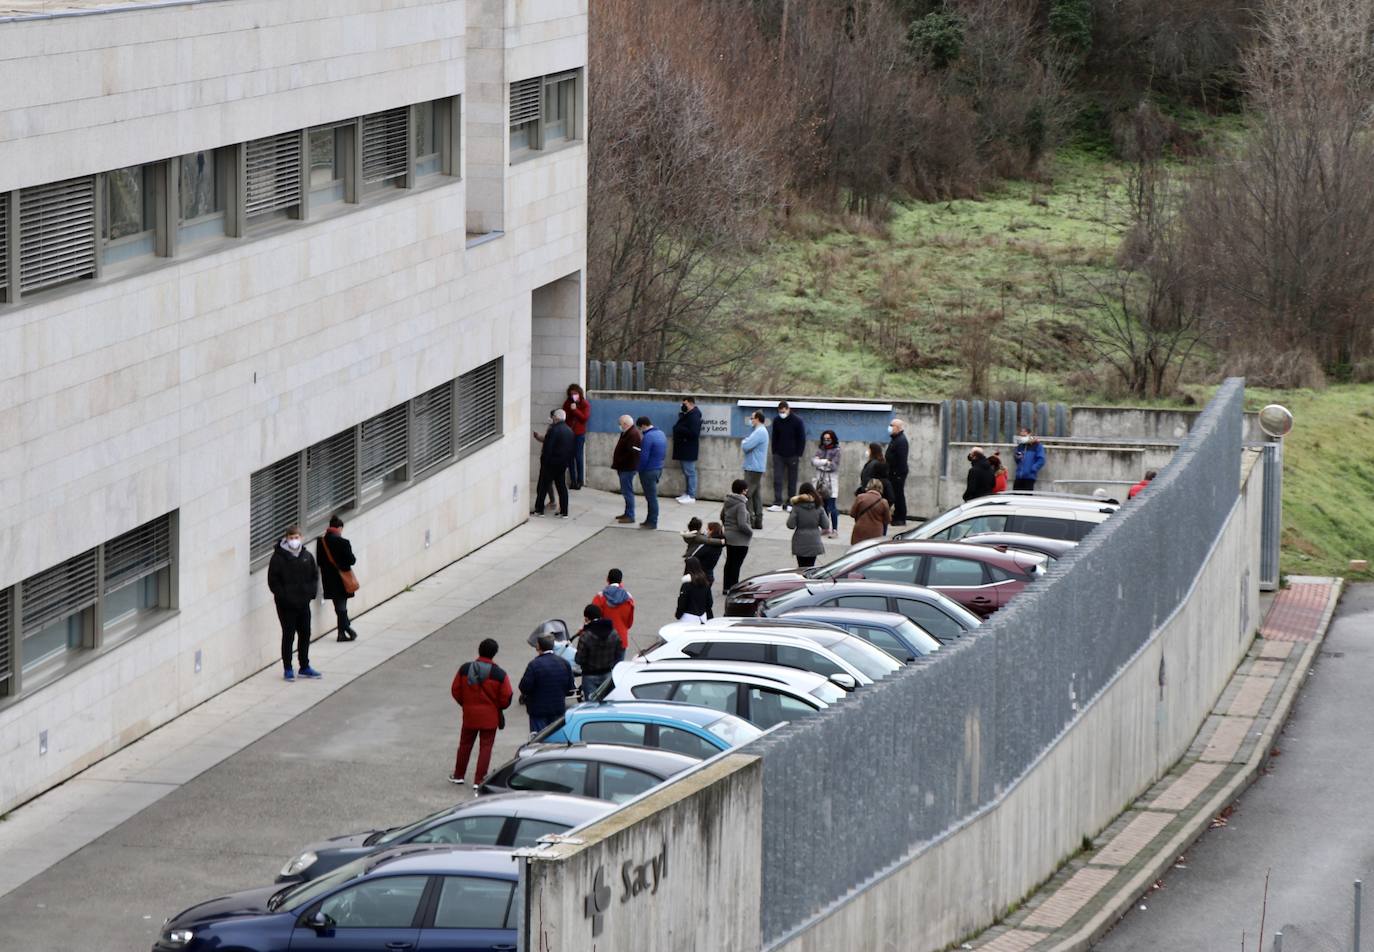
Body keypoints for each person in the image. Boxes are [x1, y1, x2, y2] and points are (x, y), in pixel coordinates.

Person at [449, 637, 513, 785]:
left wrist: (465, 704)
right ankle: (479, 779)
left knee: (465, 744)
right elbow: (506, 697)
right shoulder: (499, 674)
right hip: (490, 717)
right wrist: (498, 707)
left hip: (470, 715)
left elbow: (455, 690)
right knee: (486, 747)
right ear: (494, 653)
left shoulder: (465, 669)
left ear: (479, 649)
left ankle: (459, 775)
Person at [267, 525, 322, 681]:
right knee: (288, 636)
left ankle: (304, 666)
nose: (294, 541)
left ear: (301, 537)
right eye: (291, 538)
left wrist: (309, 594)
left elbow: (314, 576)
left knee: (305, 634)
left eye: (296, 537)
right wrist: (285, 597)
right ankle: (288, 668)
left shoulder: (306, 556)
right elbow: (273, 582)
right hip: (287, 606)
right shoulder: (278, 558)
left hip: (303, 604)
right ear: (286, 539)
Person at [519, 634, 576, 734]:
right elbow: (570, 689)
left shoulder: (534, 665)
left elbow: (524, 687)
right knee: (555, 739)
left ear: (538, 647)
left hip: (538, 710)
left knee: (539, 740)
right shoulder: (564, 663)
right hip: (557, 709)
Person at [316, 515, 358, 642]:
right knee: (342, 607)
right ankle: (345, 630)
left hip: (328, 579)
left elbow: (319, 561)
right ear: (339, 528)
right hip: (342, 579)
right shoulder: (343, 542)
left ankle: (344, 631)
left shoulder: (321, 542)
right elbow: (352, 560)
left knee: (338, 606)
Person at [534, 408, 574, 517]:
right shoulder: (569, 430)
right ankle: (564, 511)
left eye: (553, 417)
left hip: (550, 464)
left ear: (556, 417)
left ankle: (539, 510)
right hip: (562, 464)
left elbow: (548, 448)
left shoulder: (553, 430)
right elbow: (571, 449)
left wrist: (544, 461)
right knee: (561, 488)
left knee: (543, 487)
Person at [574, 604, 620, 699]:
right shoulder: (613, 633)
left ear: (587, 619)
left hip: (589, 675)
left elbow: (579, 659)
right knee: (607, 704)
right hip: (607, 674)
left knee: (591, 707)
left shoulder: (586, 636)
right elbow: (618, 654)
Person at [769, 401, 806, 511]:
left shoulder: (797, 421)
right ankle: (777, 502)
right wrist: (774, 451)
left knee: (792, 480)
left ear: (788, 409)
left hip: (793, 455)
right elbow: (774, 437)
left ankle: (791, 503)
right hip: (779, 455)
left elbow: (802, 438)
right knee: (777, 479)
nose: (782, 413)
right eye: (780, 411)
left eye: (783, 411)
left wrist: (798, 453)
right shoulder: (776, 420)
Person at [592, 568, 635, 660]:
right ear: (621, 581)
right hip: (621, 638)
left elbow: (593, 620)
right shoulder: (628, 598)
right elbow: (629, 622)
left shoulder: (599, 597)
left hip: (603, 639)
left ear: (607, 579)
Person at [786, 482, 831, 568]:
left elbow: (790, 525)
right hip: (814, 542)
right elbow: (826, 525)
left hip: (799, 542)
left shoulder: (797, 507)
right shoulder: (818, 506)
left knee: (801, 568)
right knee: (810, 568)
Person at [721, 478, 753, 590]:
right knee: (736, 565)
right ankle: (733, 587)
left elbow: (722, 516)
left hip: (729, 536)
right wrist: (750, 532)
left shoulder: (728, 501)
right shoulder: (741, 505)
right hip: (740, 539)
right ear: (743, 491)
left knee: (729, 562)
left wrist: (728, 527)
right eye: (746, 490)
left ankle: (726, 587)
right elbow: (742, 524)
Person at [636, 415, 667, 529]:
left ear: (643, 425)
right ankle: (649, 520)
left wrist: (639, 469)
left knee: (651, 498)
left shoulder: (648, 437)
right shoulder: (661, 434)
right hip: (658, 468)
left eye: (640, 428)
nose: (640, 431)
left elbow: (644, 457)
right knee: (651, 497)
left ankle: (652, 521)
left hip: (648, 470)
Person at [741, 411, 769, 530]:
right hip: (755, 466)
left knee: (746, 494)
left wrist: (744, 442)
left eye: (752, 418)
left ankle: (751, 520)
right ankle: (758, 520)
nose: (750, 420)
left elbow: (746, 446)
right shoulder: (760, 431)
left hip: (753, 467)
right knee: (756, 494)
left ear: (757, 419)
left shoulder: (760, 432)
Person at [612, 414, 642, 525]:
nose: (619, 426)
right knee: (625, 492)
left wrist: (620, 461)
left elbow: (633, 452)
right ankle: (627, 513)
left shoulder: (633, 434)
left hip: (627, 468)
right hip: (624, 467)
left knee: (627, 492)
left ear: (625, 424)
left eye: (620, 424)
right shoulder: (627, 433)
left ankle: (630, 515)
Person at [672, 396, 703, 505]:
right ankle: (687, 493)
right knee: (687, 472)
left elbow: (694, 433)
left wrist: (679, 428)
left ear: (690, 403)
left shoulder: (694, 416)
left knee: (690, 472)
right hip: (684, 448)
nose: (682, 406)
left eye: (684, 404)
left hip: (688, 448)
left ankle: (691, 495)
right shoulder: (688, 415)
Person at [812, 429, 842, 538]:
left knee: (832, 507)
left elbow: (833, 466)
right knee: (822, 505)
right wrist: (825, 462)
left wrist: (821, 462)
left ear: (833, 439)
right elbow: (813, 462)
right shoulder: (821, 449)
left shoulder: (837, 450)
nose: (826, 441)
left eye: (829, 439)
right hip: (820, 482)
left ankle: (835, 530)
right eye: (825, 439)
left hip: (831, 483)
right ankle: (825, 528)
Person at [562, 383, 591, 491]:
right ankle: (572, 480)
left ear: (579, 394)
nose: (574, 396)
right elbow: (564, 417)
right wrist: (570, 410)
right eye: (571, 394)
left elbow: (584, 418)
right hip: (569, 433)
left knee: (578, 457)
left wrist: (575, 410)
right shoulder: (567, 403)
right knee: (570, 458)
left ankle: (580, 481)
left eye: (575, 394)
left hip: (579, 434)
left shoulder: (585, 404)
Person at [681, 518, 726, 585]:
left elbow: (697, 554)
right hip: (706, 573)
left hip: (702, 574)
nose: (705, 531)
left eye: (707, 529)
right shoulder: (712, 544)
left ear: (712, 531)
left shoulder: (707, 545)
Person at [850, 479, 891, 545]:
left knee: (857, 551)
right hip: (876, 532)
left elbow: (852, 514)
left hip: (860, 530)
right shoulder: (883, 502)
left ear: (868, 486)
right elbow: (888, 520)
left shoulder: (860, 497)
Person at [675, 557, 715, 623]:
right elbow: (709, 602)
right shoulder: (705, 583)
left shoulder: (687, 585)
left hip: (688, 618)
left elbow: (682, 602)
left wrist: (678, 614)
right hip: (702, 617)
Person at [886, 418, 910, 526]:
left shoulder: (901, 441)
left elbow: (901, 459)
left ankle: (900, 517)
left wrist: (897, 474)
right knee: (895, 494)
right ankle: (896, 515)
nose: (890, 428)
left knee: (898, 495)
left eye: (892, 426)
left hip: (898, 474)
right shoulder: (895, 439)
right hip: (893, 472)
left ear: (898, 428)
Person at [1013, 427, 1046, 491]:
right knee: (1016, 496)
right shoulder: (1020, 446)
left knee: (1027, 497)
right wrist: (1017, 457)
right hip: (1019, 476)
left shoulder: (1037, 445)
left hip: (1029, 477)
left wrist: (1032, 469)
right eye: (1021, 436)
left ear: (1029, 434)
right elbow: (1016, 458)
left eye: (1024, 435)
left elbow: (1041, 460)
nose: (1022, 437)